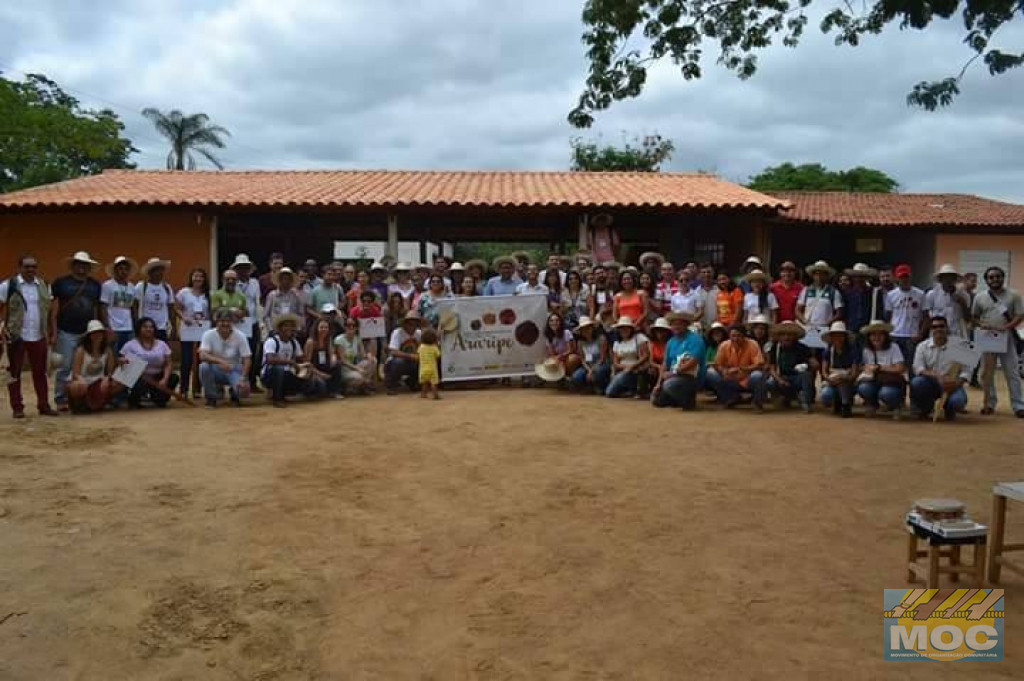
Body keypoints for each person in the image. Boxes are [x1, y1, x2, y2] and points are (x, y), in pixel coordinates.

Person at [0, 255, 58, 418]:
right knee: (14, 373)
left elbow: (51, 312)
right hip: (16, 335)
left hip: (38, 334)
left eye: (34, 266)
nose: (31, 269)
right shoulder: (9, 285)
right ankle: (17, 407)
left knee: (40, 372)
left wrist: (53, 331)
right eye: (27, 266)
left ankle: (43, 405)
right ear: (20, 268)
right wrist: (1, 328)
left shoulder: (45, 285)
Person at [51, 251, 104, 410]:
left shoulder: (95, 285)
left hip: (88, 332)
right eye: (78, 264)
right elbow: (53, 309)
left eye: (85, 265)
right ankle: (61, 399)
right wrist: (53, 331)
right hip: (66, 331)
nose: (81, 267)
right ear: (73, 266)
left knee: (85, 366)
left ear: (89, 267)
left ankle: (81, 397)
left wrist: (98, 328)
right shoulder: (61, 283)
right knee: (65, 365)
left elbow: (97, 309)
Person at [972, 266, 1024, 417]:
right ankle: (989, 403)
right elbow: (974, 316)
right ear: (987, 280)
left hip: (1006, 338)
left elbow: (1020, 315)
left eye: (997, 277)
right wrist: (982, 325)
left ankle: (1018, 405)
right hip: (987, 338)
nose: (994, 279)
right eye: (991, 277)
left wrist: (1007, 327)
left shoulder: (1014, 295)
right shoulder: (980, 297)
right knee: (987, 373)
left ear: (1003, 278)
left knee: (1012, 372)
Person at [910, 315, 971, 420]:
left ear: (947, 328)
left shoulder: (960, 346)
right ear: (931, 329)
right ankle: (926, 408)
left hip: (952, 384)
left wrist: (956, 383)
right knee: (917, 382)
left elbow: (967, 371)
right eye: (934, 327)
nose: (938, 329)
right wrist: (937, 376)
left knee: (958, 401)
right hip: (930, 383)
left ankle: (949, 408)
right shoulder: (922, 346)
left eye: (941, 326)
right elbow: (918, 368)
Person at [262, 314, 322, 407]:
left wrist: (307, 365)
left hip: (289, 373)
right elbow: (270, 359)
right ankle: (277, 398)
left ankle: (283, 392)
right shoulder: (272, 341)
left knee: (315, 384)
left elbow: (302, 358)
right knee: (279, 369)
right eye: (286, 325)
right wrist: (290, 362)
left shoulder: (294, 342)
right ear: (279, 328)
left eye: (291, 326)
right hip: (270, 374)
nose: (289, 328)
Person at [198, 309, 252, 408]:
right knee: (203, 367)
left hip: (234, 368)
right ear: (216, 322)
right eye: (222, 321)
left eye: (228, 321)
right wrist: (220, 361)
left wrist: (243, 378)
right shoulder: (208, 334)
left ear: (232, 322)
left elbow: (247, 359)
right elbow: (202, 355)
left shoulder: (241, 336)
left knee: (244, 392)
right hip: (216, 368)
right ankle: (211, 397)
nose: (225, 324)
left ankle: (235, 394)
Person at [120, 316, 178, 408]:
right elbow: (123, 366)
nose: (148, 329)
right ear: (139, 329)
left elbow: (168, 363)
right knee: (134, 379)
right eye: (145, 327)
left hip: (157, 377)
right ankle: (133, 398)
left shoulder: (162, 344)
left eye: (151, 327)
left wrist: (164, 379)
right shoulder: (130, 345)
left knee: (174, 378)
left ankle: (158, 398)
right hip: (139, 377)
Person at [652, 312, 706, 410]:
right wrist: (658, 384)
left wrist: (673, 373)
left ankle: (688, 401)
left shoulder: (695, 339)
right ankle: (679, 399)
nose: (676, 326)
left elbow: (693, 361)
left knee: (669, 385)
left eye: (679, 324)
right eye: (673, 324)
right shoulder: (671, 341)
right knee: (656, 400)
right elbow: (665, 363)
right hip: (674, 375)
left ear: (686, 325)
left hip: (690, 376)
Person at [706, 325, 766, 410]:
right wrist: (724, 371)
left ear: (744, 336)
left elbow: (759, 364)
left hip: (747, 378)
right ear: (729, 336)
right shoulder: (724, 345)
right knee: (710, 373)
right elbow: (718, 364)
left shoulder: (752, 344)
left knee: (758, 375)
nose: (736, 339)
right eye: (733, 336)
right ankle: (730, 398)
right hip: (730, 378)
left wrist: (743, 369)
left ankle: (757, 402)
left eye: (739, 336)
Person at [856, 320, 906, 419]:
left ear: (885, 336)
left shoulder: (893, 347)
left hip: (890, 382)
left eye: (880, 334)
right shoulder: (866, 350)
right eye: (873, 334)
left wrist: (880, 367)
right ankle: (872, 404)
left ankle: (896, 406)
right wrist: (867, 368)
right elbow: (862, 366)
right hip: (873, 380)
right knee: (863, 388)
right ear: (869, 337)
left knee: (886, 393)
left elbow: (900, 368)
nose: (876, 337)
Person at [764, 321, 816, 413]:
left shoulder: (802, 348)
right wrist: (779, 380)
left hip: (797, 377)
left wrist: (812, 363)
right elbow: (772, 368)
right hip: (782, 377)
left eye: (790, 334)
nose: (786, 337)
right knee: (770, 383)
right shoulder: (775, 348)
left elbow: (813, 363)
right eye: (783, 334)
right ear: (779, 336)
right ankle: (784, 397)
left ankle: (806, 403)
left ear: (795, 336)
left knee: (806, 375)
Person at [67, 319, 117, 413]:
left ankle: (102, 402)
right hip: (84, 382)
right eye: (94, 333)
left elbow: (111, 372)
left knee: (131, 370)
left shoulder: (107, 350)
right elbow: (75, 373)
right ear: (89, 336)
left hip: (99, 383)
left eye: (100, 332)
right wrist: (81, 381)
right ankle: (79, 405)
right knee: (77, 386)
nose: (97, 335)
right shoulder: (81, 351)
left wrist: (107, 378)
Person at [175, 267, 210, 399]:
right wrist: (184, 317)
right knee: (186, 360)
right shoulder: (184, 292)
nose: (198, 279)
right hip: (188, 329)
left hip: (203, 329)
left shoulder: (208, 294)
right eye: (195, 276)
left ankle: (197, 388)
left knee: (200, 359)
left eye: (201, 276)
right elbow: (176, 308)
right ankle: (183, 389)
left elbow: (210, 313)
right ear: (191, 278)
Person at [230, 254, 263, 392]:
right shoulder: (232, 284)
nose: (243, 270)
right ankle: (237, 381)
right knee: (238, 353)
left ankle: (252, 381)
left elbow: (258, 301)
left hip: (252, 322)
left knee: (252, 353)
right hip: (237, 323)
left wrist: (260, 322)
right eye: (240, 268)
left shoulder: (255, 283)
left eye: (245, 267)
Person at [885, 264, 925, 374]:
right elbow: (888, 316)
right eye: (901, 277)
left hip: (912, 335)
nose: (904, 279)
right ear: (897, 278)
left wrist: (920, 334)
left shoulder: (920, 294)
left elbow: (926, 316)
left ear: (910, 276)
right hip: (895, 335)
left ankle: (913, 390)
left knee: (912, 366)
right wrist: (888, 333)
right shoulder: (891, 295)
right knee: (895, 365)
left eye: (906, 276)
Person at [819, 322, 860, 418]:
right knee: (826, 395)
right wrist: (830, 380)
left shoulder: (853, 351)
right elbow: (824, 372)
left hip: (849, 382)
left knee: (843, 384)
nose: (838, 338)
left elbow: (854, 372)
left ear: (845, 337)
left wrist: (845, 378)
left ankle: (845, 404)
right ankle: (839, 402)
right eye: (835, 336)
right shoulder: (828, 351)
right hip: (832, 380)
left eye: (840, 335)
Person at [100, 255, 139, 353]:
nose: (123, 271)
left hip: (129, 328)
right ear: (115, 270)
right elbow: (103, 307)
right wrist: (107, 327)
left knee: (128, 357)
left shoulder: (132, 287)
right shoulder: (108, 285)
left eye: (126, 269)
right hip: (113, 328)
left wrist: (136, 326)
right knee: (112, 355)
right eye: (120, 268)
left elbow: (133, 308)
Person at [605, 316, 649, 398]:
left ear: (631, 328)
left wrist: (633, 366)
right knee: (609, 392)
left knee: (617, 383)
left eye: (626, 327)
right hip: (622, 369)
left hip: (637, 369)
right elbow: (615, 362)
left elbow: (645, 356)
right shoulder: (617, 343)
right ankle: (628, 391)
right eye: (621, 328)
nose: (624, 330)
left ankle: (634, 389)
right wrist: (625, 367)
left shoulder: (639, 338)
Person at [134, 257, 176, 341]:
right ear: (150, 272)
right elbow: (135, 306)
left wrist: (173, 327)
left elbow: (171, 308)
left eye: (161, 270)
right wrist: (137, 325)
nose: (160, 273)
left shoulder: (167, 287)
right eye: (156, 270)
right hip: (145, 328)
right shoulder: (141, 286)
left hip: (162, 328)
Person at [924, 264, 971, 338]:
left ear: (955, 279)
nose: (948, 280)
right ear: (940, 279)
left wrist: (963, 304)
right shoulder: (932, 294)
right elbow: (927, 316)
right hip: (938, 332)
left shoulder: (964, 295)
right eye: (945, 277)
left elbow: (968, 318)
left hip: (957, 333)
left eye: (951, 277)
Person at [842, 263, 885, 341]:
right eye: (856, 276)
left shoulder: (875, 292)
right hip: (851, 329)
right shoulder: (847, 293)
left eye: (862, 276)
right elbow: (845, 312)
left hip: (869, 330)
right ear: (853, 277)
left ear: (866, 278)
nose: (859, 279)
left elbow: (880, 312)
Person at [797, 261, 842, 330]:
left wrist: (828, 323)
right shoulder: (806, 290)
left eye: (823, 274)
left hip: (825, 328)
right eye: (816, 274)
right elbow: (798, 309)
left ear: (827, 276)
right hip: (807, 327)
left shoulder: (834, 292)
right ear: (813, 275)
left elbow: (839, 313)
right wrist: (804, 321)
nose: (819, 276)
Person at [335, 316, 375, 393]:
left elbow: (363, 355)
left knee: (373, 361)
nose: (351, 327)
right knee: (360, 377)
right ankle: (349, 386)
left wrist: (369, 355)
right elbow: (343, 361)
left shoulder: (357, 338)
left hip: (353, 366)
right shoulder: (339, 340)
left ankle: (361, 385)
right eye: (348, 325)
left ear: (357, 328)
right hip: (344, 369)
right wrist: (357, 369)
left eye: (354, 325)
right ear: (344, 326)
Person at [385, 310, 422, 395]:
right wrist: (411, 356)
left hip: (413, 362)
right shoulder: (397, 332)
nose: (413, 327)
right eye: (410, 324)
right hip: (395, 362)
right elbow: (393, 352)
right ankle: (391, 385)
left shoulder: (419, 333)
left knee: (424, 360)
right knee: (398, 362)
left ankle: (413, 382)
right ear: (404, 324)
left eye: (415, 324)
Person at [305, 318, 343, 398]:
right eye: (321, 327)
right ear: (316, 328)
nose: (324, 329)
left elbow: (331, 353)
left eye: (326, 327)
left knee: (338, 364)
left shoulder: (328, 340)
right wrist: (320, 374)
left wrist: (333, 358)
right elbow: (307, 363)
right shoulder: (311, 342)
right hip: (314, 369)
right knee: (321, 389)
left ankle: (335, 391)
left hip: (324, 366)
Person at [570, 316, 610, 393]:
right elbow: (582, 359)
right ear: (581, 331)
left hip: (601, 364)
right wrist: (589, 369)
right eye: (583, 329)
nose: (586, 330)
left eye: (588, 328)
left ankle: (601, 386)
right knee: (576, 377)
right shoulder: (580, 342)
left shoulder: (601, 339)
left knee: (598, 373)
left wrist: (592, 370)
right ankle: (588, 386)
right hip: (587, 365)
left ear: (592, 328)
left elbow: (602, 358)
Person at [644, 317, 672, 398]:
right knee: (650, 370)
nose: (660, 333)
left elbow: (668, 360)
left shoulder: (670, 343)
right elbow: (651, 360)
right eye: (658, 330)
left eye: (662, 330)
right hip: (657, 366)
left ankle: (660, 389)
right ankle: (649, 389)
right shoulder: (652, 343)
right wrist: (658, 366)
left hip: (668, 366)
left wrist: (662, 367)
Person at [543, 312, 576, 379]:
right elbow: (551, 353)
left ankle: (569, 375)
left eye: (557, 320)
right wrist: (556, 359)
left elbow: (571, 350)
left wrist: (560, 356)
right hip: (558, 358)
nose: (554, 323)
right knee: (547, 360)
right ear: (548, 323)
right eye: (551, 321)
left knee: (572, 359)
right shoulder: (548, 337)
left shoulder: (566, 332)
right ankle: (559, 376)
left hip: (567, 357)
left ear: (560, 322)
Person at [416, 328, 442, 400]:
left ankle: (423, 394)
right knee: (433, 383)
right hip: (432, 369)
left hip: (423, 368)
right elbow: (438, 355)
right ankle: (435, 394)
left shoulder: (421, 347)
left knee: (424, 383)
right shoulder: (434, 348)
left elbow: (418, 355)